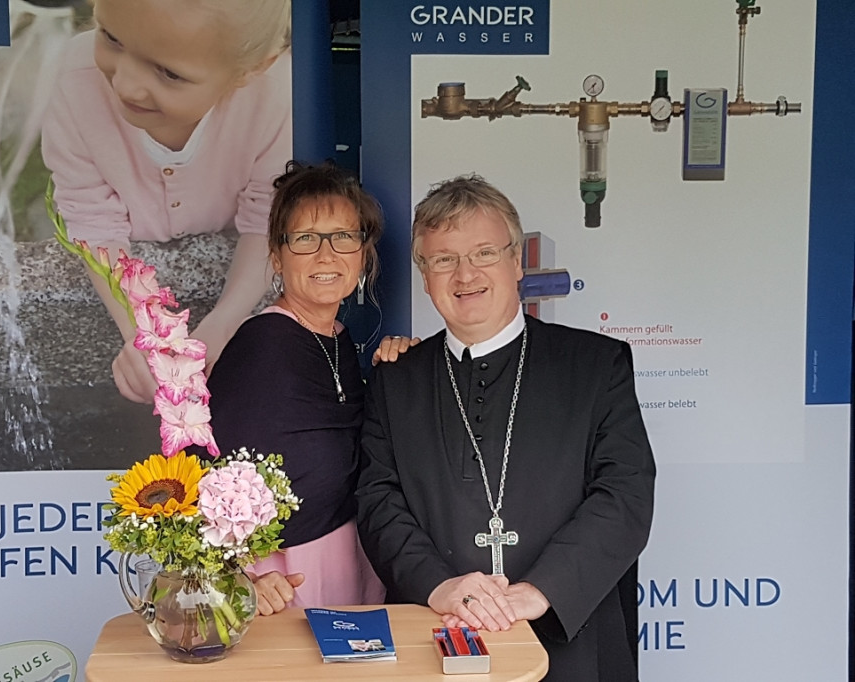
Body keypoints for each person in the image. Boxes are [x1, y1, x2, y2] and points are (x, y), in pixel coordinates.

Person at [356, 174, 656, 682]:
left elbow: (624, 494)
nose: (464, 273)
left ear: (517, 262)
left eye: (484, 253)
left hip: (570, 634)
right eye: (443, 259)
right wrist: (439, 585)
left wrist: (538, 592)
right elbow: (377, 499)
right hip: (439, 631)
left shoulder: (595, 364)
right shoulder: (395, 380)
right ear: (425, 277)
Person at [41, 0, 292, 404]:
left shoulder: (279, 94)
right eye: (111, 37)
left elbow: (268, 214)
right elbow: (92, 217)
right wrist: (143, 332)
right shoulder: (76, 78)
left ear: (252, 69)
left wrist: (225, 321)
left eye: (170, 73)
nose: (125, 84)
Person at [205, 160, 403, 615]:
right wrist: (242, 575)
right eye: (306, 239)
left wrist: (400, 365)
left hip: (347, 557)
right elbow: (205, 467)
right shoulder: (263, 344)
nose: (326, 255)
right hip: (284, 578)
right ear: (277, 256)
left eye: (344, 237)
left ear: (363, 254)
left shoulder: (337, 337)